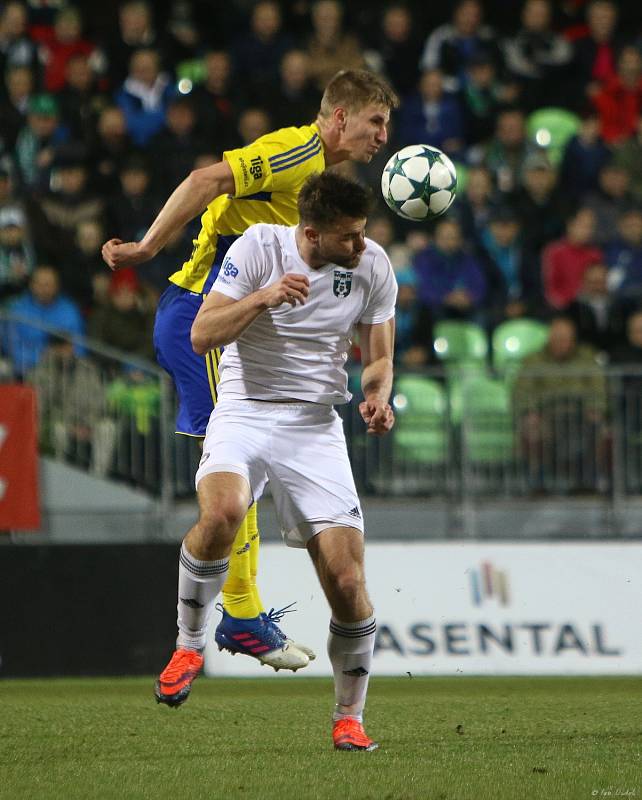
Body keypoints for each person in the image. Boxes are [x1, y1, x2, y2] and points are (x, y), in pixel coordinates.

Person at [102, 69, 398, 671]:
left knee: (241, 477)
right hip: (202, 315)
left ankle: (238, 611)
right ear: (340, 117)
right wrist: (148, 247)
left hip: (223, 321)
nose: (383, 137)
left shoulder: (322, 181)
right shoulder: (296, 149)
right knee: (235, 465)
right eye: (376, 121)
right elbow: (206, 178)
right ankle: (238, 614)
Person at [156, 171, 396, 752]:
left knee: (345, 580)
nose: (360, 246)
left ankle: (348, 718)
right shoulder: (259, 246)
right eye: (349, 237)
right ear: (310, 233)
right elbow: (201, 334)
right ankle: (190, 643)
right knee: (223, 514)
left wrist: (377, 395)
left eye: (363, 233)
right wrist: (263, 297)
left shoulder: (373, 265)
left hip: (316, 427)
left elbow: (380, 354)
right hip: (244, 410)